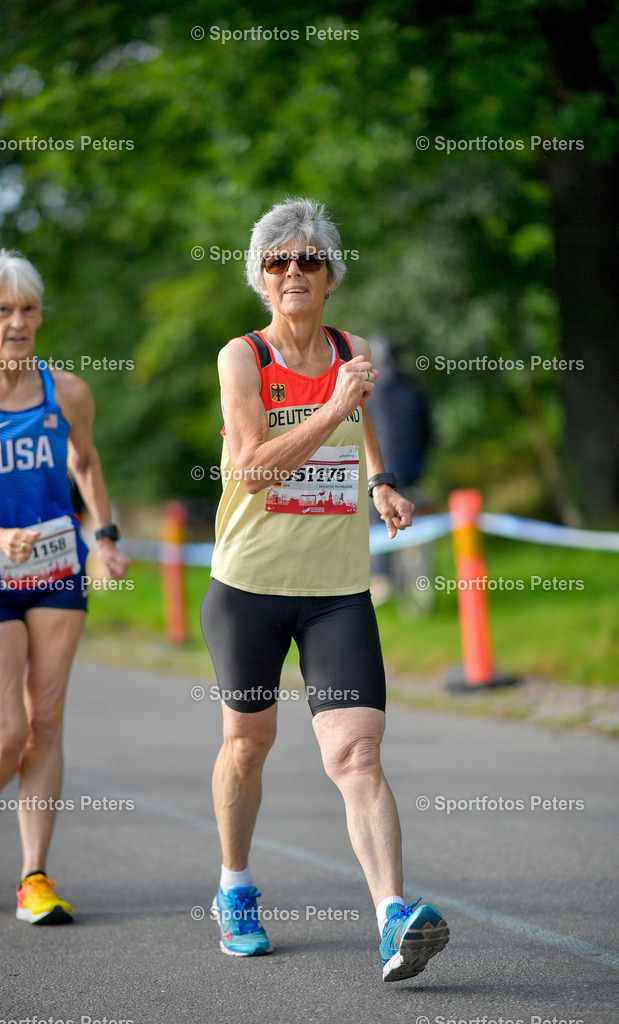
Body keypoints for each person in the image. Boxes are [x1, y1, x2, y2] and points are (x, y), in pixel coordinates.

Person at [200, 198, 449, 981]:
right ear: (260, 279)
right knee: (249, 744)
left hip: (336, 589)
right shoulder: (241, 357)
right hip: (249, 585)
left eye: (309, 259)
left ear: (331, 274)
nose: (294, 272)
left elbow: (363, 413)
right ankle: (234, 889)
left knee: (357, 751)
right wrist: (331, 403)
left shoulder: (352, 348)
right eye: (278, 261)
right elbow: (248, 466)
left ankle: (391, 919)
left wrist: (380, 480)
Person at [0, 250, 130, 924]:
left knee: (45, 723)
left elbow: (86, 460)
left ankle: (34, 878)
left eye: (27, 309)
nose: (17, 323)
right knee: (6, 734)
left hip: (55, 569)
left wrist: (104, 536)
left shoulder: (68, 392)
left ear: (40, 314)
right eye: (2, 311)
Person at [366, 336, 433, 605]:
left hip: (382, 473)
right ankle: (422, 580)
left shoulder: (370, 391)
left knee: (375, 517)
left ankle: (380, 577)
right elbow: (429, 432)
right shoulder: (416, 388)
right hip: (415, 470)